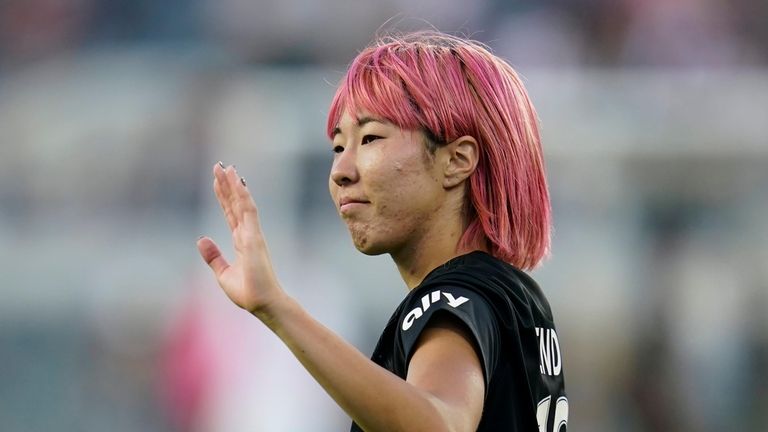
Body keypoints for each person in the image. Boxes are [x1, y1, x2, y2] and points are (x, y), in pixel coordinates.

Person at [196, 31, 568, 432]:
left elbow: (439, 424)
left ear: (457, 160)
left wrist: (277, 308)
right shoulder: (514, 299)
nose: (340, 172)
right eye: (338, 147)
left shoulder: (454, 299)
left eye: (371, 138)